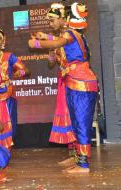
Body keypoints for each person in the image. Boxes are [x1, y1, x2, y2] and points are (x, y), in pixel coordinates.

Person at [28, 2, 98, 173]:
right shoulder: (68, 36)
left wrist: (36, 44)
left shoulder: (70, 34)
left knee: (81, 123)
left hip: (81, 82)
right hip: (72, 81)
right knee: (76, 122)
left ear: (64, 19)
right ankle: (79, 160)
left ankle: (83, 164)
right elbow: (53, 55)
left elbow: (56, 43)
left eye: (52, 20)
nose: (50, 24)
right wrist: (47, 39)